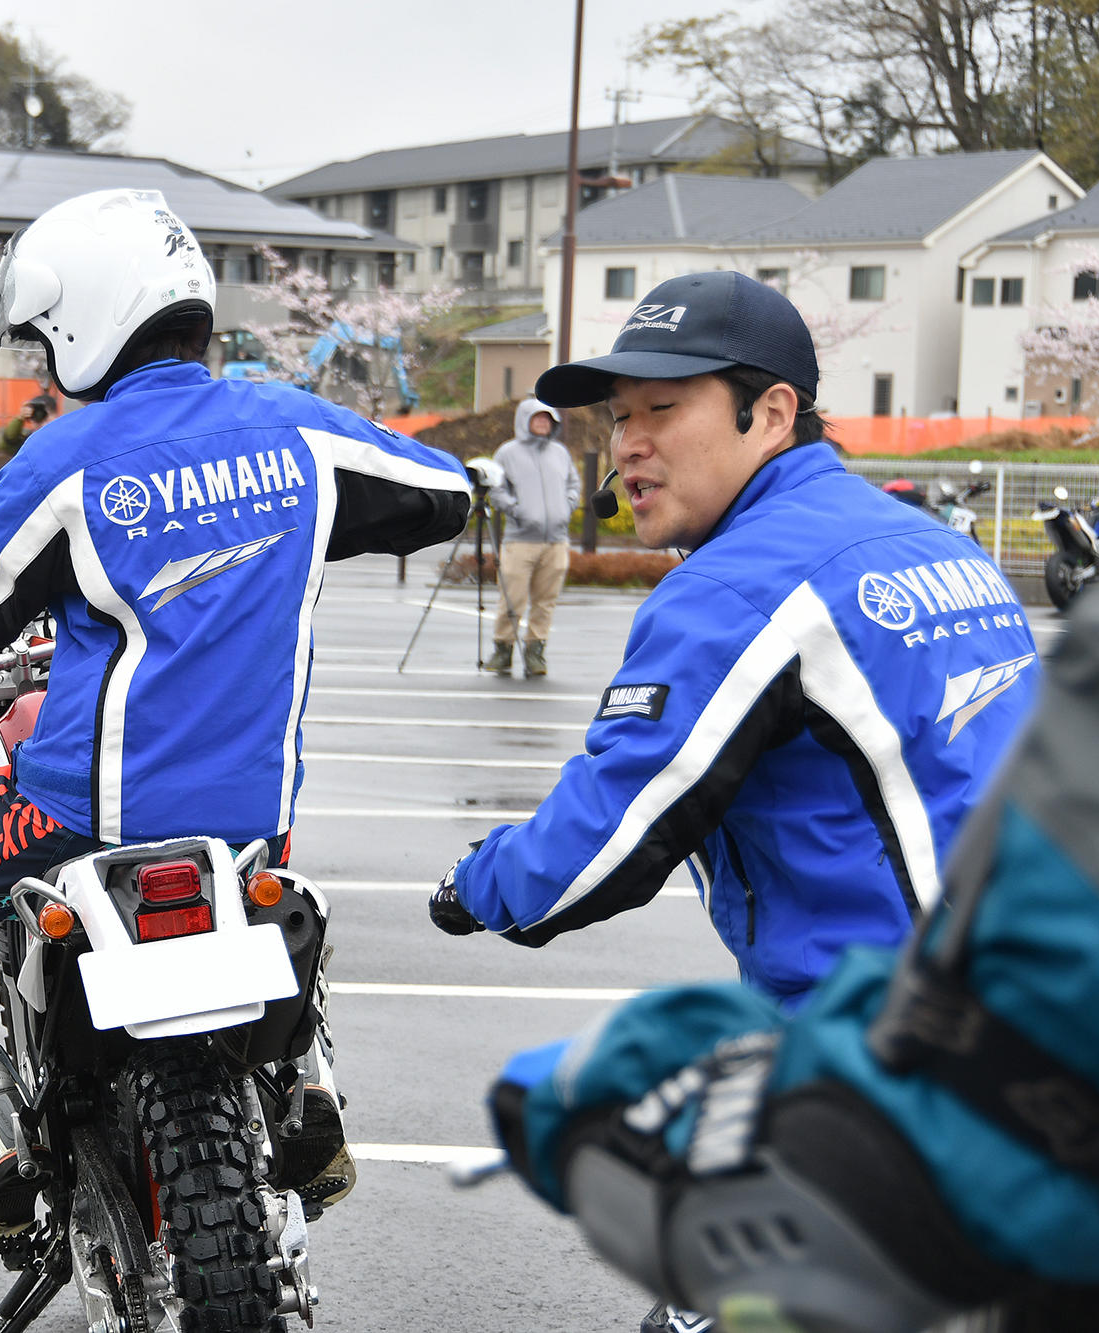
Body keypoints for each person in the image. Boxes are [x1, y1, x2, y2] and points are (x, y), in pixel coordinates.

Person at [0, 188, 471, 1251]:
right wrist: (286, 529)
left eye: (45, 339)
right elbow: (441, 490)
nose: (45, 366)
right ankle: (300, 1082)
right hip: (248, 822)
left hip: (76, 819)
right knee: (271, 892)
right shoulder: (294, 430)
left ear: (84, 322)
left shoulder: (68, 461)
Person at [429, 271, 1041, 1331]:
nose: (627, 442)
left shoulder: (736, 587)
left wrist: (471, 883)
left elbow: (592, 855)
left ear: (769, 412)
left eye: (664, 409)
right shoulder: (943, 549)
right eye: (618, 416)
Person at [485, 577, 1099, 1332]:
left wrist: (640, 1083)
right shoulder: (954, 560)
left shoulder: (738, 590)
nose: (627, 451)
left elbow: (1018, 1068)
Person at [484, 397, 579, 677]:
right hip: (520, 539)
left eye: (547, 419)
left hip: (556, 540)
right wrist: (516, 511)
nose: (543, 423)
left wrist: (567, 505)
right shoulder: (507, 453)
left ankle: (536, 652)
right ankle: (503, 650)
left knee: (545, 600)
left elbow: (573, 483)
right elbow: (496, 488)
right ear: (524, 420)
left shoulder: (560, 453)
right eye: (537, 418)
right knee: (511, 599)